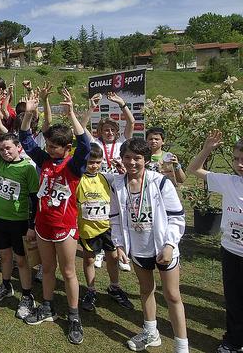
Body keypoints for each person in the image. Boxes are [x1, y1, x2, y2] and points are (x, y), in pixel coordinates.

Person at [19, 89, 90, 345]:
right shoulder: (45, 160)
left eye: (53, 147)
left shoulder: (73, 165)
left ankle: (73, 316)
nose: (48, 149)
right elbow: (25, 139)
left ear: (66, 148)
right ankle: (48, 307)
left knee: (69, 272)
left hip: (64, 228)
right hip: (43, 227)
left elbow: (86, 146)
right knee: (47, 268)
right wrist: (28, 114)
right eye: (47, 145)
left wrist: (71, 114)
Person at [110, 138, 188, 353]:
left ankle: (182, 346)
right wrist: (119, 244)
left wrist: (170, 245)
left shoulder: (160, 181)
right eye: (127, 157)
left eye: (137, 158)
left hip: (164, 248)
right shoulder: (118, 184)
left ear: (145, 159)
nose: (132, 162)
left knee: (172, 296)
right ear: (122, 158)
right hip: (138, 248)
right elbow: (115, 217)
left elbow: (177, 217)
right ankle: (151, 333)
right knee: (146, 290)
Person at [188, 130, 243, 353]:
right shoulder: (228, 181)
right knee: (234, 300)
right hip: (231, 250)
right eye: (236, 159)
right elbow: (194, 170)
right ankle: (233, 341)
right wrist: (207, 149)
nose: (240, 164)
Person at [0, 130, 40, 321]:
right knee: (4, 256)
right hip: (0, 219)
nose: (4, 152)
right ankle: (6, 286)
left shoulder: (28, 169)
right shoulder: (0, 162)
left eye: (8, 148)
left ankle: (26, 296)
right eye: (1, 149)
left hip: (19, 222)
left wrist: (32, 225)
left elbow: (35, 200)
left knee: (22, 260)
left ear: (18, 147)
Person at [76, 144, 134, 312]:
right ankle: (91, 290)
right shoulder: (79, 178)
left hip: (108, 227)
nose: (94, 166)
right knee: (89, 259)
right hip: (88, 228)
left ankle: (114, 287)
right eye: (90, 162)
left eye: (98, 162)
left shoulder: (106, 177)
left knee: (113, 257)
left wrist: (122, 170)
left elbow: (126, 182)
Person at [82, 92, 135, 174]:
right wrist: (92, 108)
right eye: (106, 130)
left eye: (113, 130)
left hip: (118, 181)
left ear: (116, 131)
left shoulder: (122, 141)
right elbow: (82, 127)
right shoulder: (95, 143)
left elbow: (131, 122)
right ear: (101, 131)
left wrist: (122, 104)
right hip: (100, 183)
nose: (110, 133)